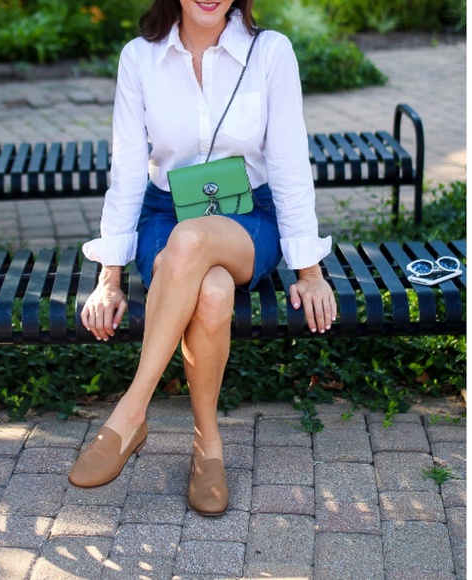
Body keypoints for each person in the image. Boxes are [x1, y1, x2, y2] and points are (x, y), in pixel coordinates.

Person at [69, 0, 337, 516]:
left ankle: (131, 411)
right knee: (212, 294)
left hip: (248, 217)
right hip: (164, 215)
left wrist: (309, 269)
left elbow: (288, 161)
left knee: (192, 242)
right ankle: (207, 446)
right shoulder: (140, 59)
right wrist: (110, 275)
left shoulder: (270, 53)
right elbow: (126, 168)